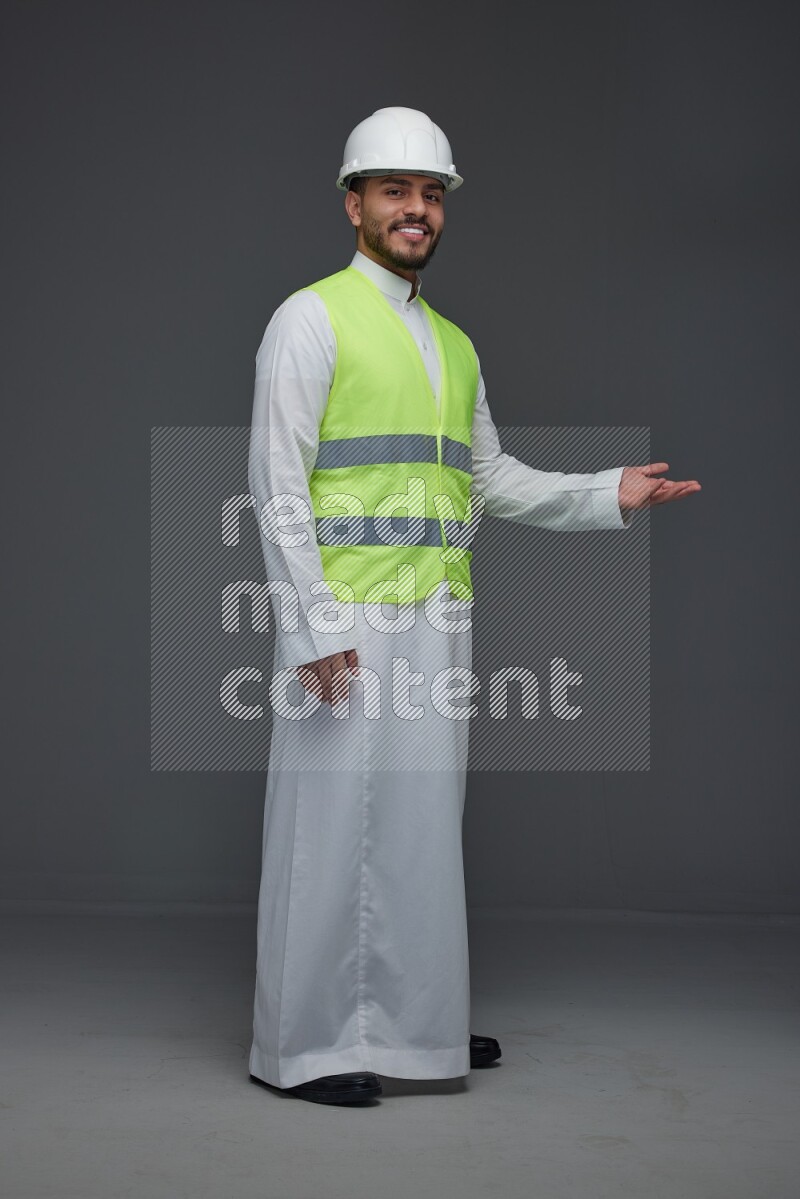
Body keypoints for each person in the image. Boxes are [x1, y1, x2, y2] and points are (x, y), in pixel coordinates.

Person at [246, 106, 701, 1106]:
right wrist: (311, 631)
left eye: (431, 192)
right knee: (326, 833)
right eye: (395, 190)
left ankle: (415, 1029)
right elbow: (277, 486)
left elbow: (486, 477)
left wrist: (599, 494)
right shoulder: (309, 317)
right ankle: (307, 1045)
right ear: (353, 200)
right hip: (346, 620)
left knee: (414, 828)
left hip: (435, 617)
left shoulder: (452, 344)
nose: (415, 208)